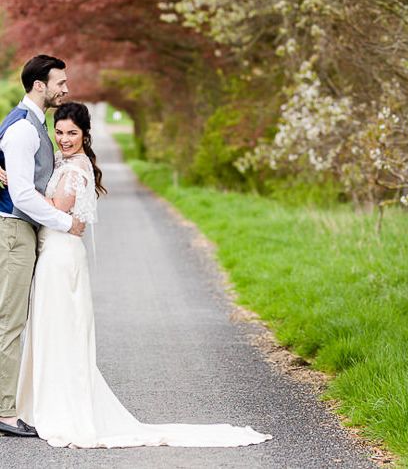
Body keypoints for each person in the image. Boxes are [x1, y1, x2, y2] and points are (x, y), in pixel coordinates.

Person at [10, 102, 272, 448]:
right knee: (50, 328)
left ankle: (60, 406)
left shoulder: (75, 170)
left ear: (85, 134)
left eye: (72, 133)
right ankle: (41, 402)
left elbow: (54, 210)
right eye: (59, 132)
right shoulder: (64, 163)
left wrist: (19, 186)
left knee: (60, 329)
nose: (64, 139)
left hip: (60, 258)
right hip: (55, 254)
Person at [0, 55, 85, 438]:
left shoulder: (32, 124)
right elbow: (22, 194)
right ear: (39, 85)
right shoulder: (24, 129)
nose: (65, 89)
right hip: (14, 231)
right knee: (10, 323)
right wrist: (66, 222)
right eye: (60, 82)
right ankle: (4, 412)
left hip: (24, 232)